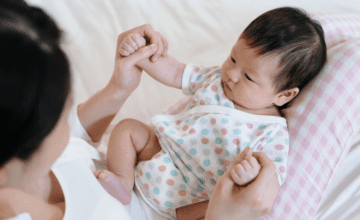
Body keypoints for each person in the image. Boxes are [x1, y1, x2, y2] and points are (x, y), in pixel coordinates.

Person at [0, 0, 283, 219]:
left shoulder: (24, 166)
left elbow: (74, 140)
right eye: (62, 115)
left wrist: (119, 87)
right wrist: (224, 215)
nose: (69, 120)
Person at [94, 7, 327, 220]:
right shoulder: (215, 79)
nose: (232, 74)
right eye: (233, 58)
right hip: (160, 155)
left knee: (219, 208)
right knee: (128, 129)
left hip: (191, 199)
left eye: (248, 77)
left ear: (283, 95)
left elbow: (269, 181)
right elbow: (176, 72)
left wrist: (250, 175)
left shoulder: (272, 131)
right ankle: (123, 182)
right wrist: (142, 53)